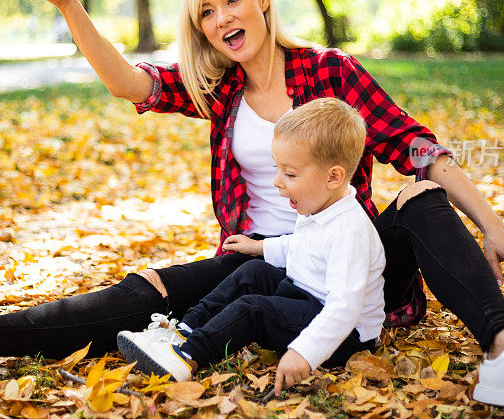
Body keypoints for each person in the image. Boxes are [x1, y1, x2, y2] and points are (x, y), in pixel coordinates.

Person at [0, 0, 504, 412]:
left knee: (420, 197)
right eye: (206, 13)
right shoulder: (218, 88)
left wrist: (494, 225)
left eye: (231, 0)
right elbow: (128, 83)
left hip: (349, 263)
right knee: (141, 287)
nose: (221, 18)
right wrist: (67, 6)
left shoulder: (330, 72)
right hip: (260, 262)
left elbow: (417, 146)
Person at [117, 98, 385, 393]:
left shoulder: (350, 232)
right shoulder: (321, 205)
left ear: (333, 176)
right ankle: (183, 331)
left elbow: (344, 308)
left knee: (253, 308)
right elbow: (305, 246)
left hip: (344, 337)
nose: (276, 182)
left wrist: (305, 352)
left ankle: (187, 357)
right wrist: (259, 248)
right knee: (254, 271)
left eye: (290, 174)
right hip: (307, 297)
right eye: (278, 169)